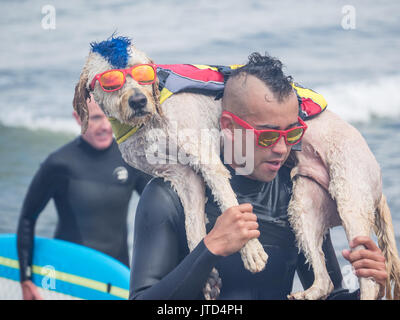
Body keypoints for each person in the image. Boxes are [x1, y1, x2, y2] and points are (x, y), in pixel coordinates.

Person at [129, 53, 387, 300]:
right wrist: (209, 249)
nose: (281, 149)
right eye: (267, 136)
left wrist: (375, 287)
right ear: (229, 126)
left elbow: (329, 296)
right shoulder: (170, 196)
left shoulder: (295, 194)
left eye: (292, 134)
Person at [17, 96, 151, 300]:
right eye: (95, 118)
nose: (105, 126)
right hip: (69, 279)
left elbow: (157, 208)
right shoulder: (58, 164)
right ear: (78, 118)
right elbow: (28, 219)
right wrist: (25, 279)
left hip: (116, 278)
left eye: (110, 116)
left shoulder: (130, 158)